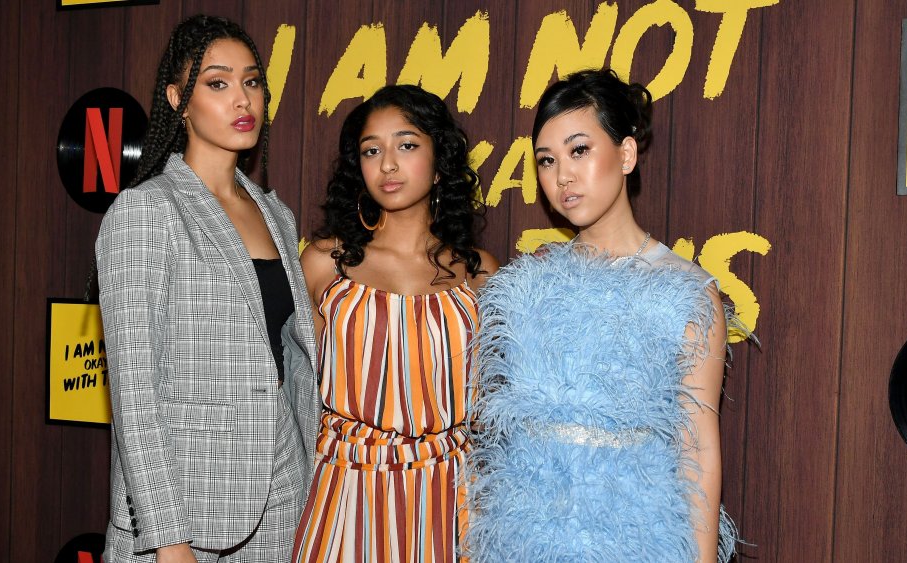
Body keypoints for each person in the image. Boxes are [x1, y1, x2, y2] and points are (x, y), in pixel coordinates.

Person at [464, 69, 738, 562]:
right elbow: (496, 437)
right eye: (546, 161)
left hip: (637, 539)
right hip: (525, 539)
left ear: (627, 154)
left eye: (579, 151)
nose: (562, 176)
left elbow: (697, 448)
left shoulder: (686, 292)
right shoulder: (527, 285)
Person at [96, 15, 319, 563]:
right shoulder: (147, 210)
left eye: (252, 82)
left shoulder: (278, 215)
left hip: (281, 503)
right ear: (177, 99)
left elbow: (289, 364)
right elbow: (134, 394)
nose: (241, 99)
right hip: (183, 518)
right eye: (217, 83)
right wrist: (168, 542)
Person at [292, 84, 498, 562]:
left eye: (407, 145)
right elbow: (293, 393)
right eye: (371, 150)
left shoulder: (480, 272)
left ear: (440, 158)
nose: (388, 164)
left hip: (449, 499)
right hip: (345, 491)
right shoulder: (326, 263)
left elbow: (493, 407)